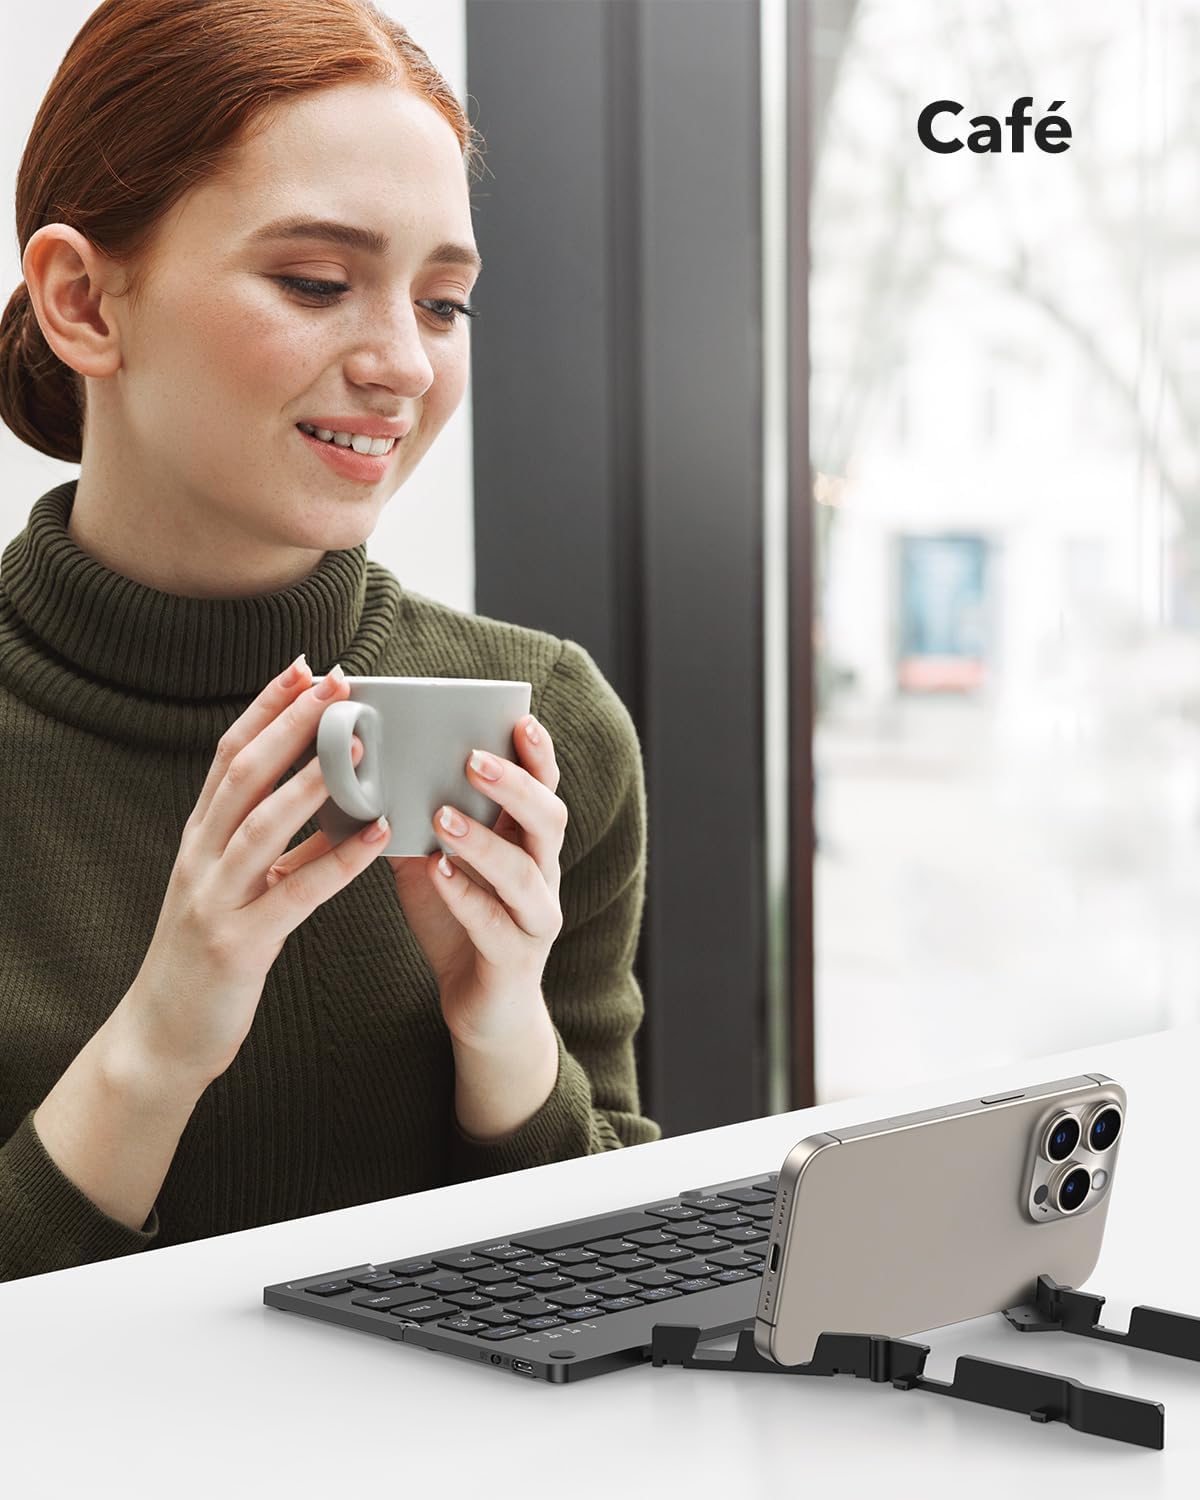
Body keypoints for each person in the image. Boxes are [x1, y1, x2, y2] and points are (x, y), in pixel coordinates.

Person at [0, 0, 660, 1284]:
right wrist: (159, 1044)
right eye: (316, 283)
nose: (406, 364)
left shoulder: (545, 723)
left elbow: (616, 1291)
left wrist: (504, 1039)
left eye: (446, 302)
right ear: (82, 301)